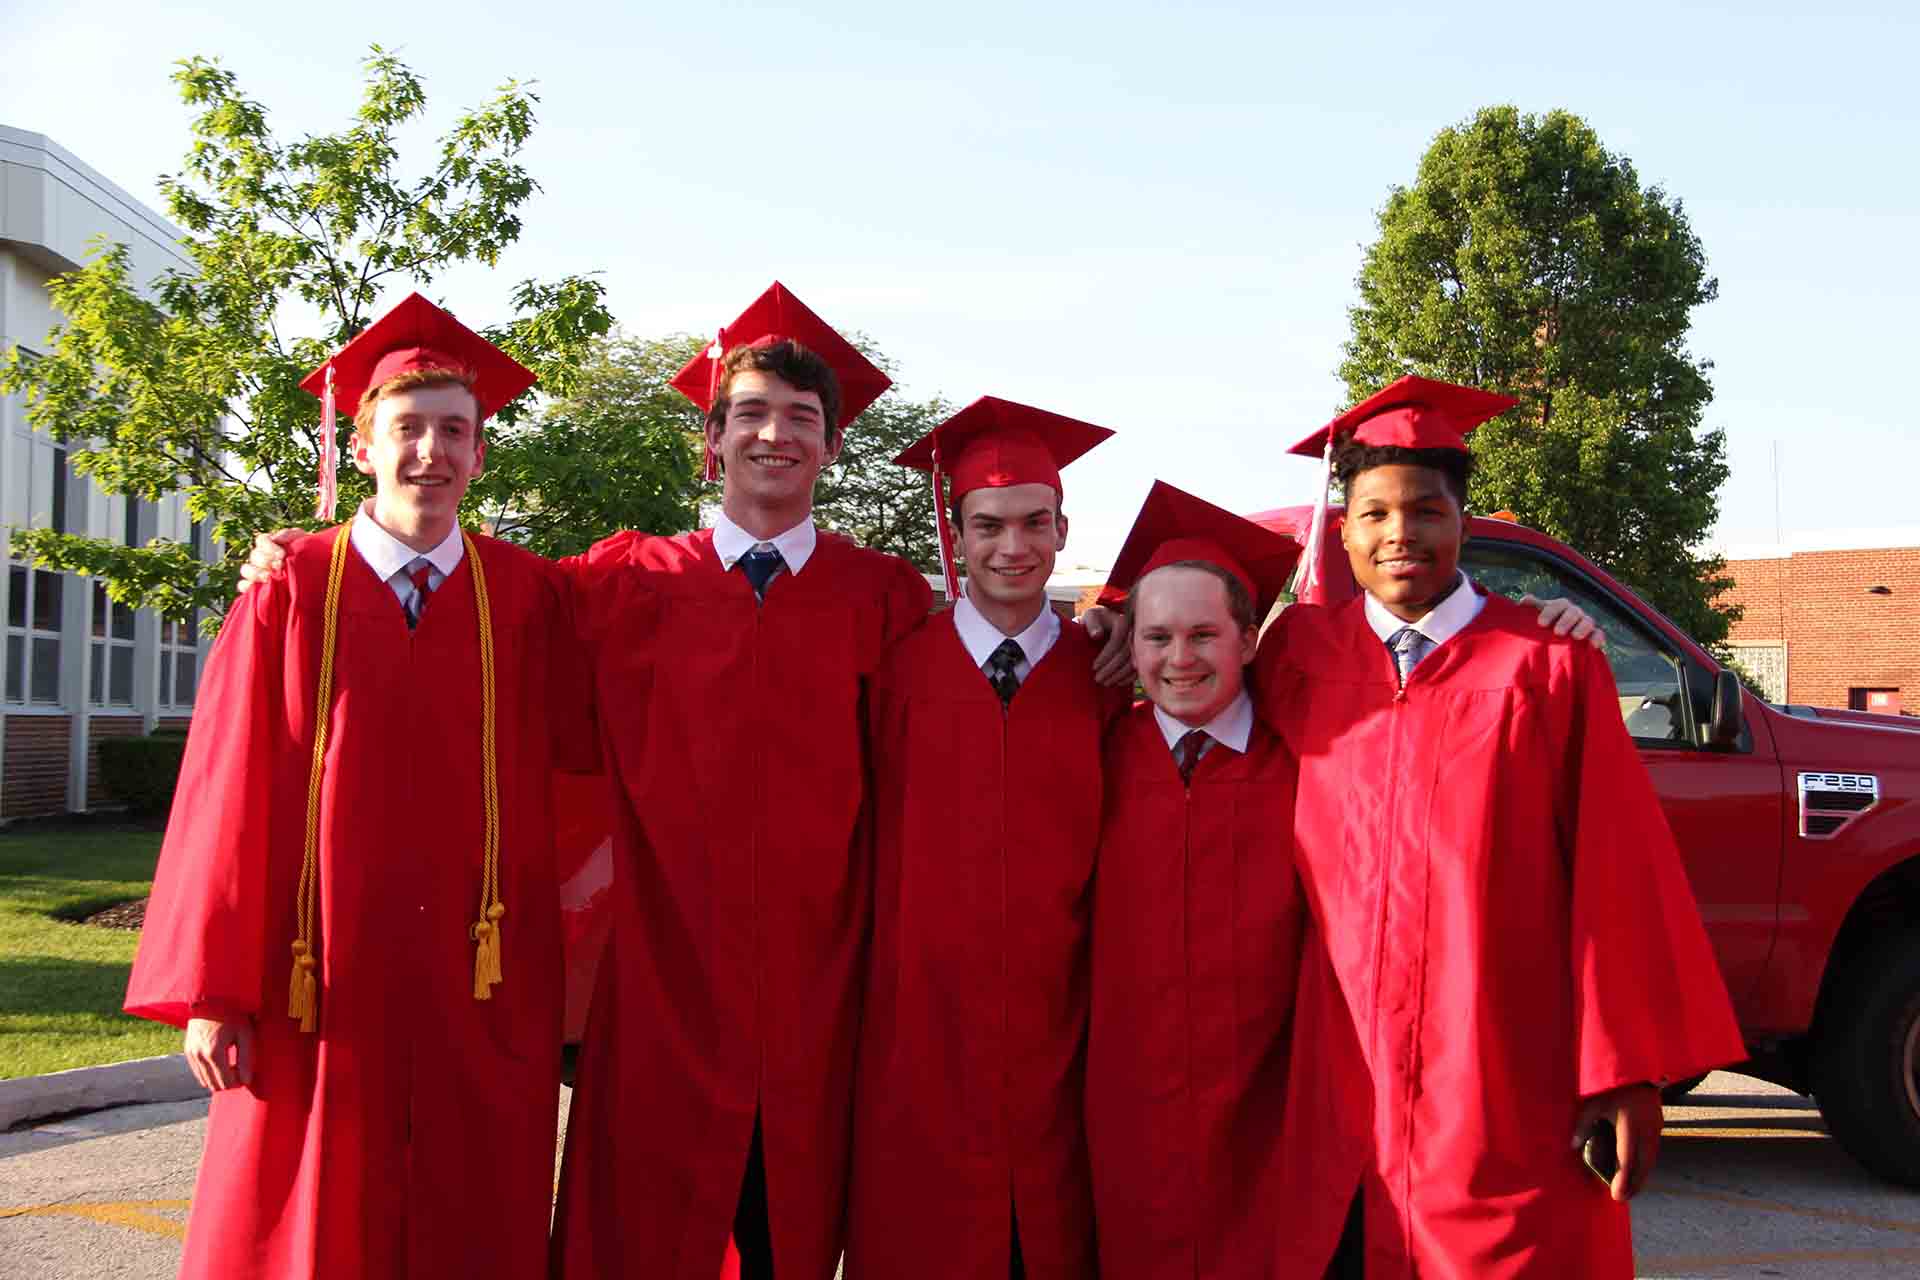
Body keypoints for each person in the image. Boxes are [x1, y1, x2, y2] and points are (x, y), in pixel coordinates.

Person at [126, 293, 592, 1279]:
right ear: (363, 444)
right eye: (409, 428)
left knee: (473, 1207)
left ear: (480, 452)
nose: (431, 451)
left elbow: (605, 742)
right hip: (316, 974)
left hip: (481, 976)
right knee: (314, 1216)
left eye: (454, 431)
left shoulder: (528, 594)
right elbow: (224, 790)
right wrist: (212, 989)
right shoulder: (291, 588)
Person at [1256, 375, 1746, 1278]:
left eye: (1426, 510)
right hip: (1337, 1061)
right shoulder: (1299, 658)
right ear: (1344, 530)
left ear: (1464, 523)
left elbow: (1616, 878)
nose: (1399, 533)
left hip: (1496, 1061)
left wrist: (1626, 1071)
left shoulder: (1548, 665)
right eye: (1373, 514)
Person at [847, 397, 1126, 1279]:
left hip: (1063, 1024)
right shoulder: (894, 670)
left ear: (1063, 529)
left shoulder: (1107, 674)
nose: (1015, 546)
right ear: (956, 535)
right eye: (989, 525)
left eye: (1036, 522)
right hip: (917, 1025)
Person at [1084, 481, 1364, 1280]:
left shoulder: (1312, 763)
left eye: (1204, 634)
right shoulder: (1094, 757)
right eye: (1157, 636)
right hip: (1126, 1119)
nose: (1180, 660)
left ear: (1248, 641)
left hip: (1269, 1119)